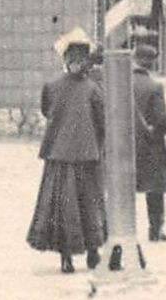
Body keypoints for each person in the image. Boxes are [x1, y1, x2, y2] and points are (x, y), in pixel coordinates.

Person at [27, 28, 107, 273]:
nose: (77, 64)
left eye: (79, 60)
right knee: (88, 206)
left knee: (64, 208)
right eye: (74, 60)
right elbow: (101, 121)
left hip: (61, 156)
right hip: (83, 156)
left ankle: (70, 257)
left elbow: (46, 111)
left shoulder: (52, 87)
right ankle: (89, 253)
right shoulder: (93, 89)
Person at [132, 43, 166, 242]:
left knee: (125, 188)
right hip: (150, 145)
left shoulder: (120, 84)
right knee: (155, 189)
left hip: (126, 143)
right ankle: (155, 231)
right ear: (151, 63)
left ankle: (123, 230)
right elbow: (161, 117)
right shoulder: (154, 86)